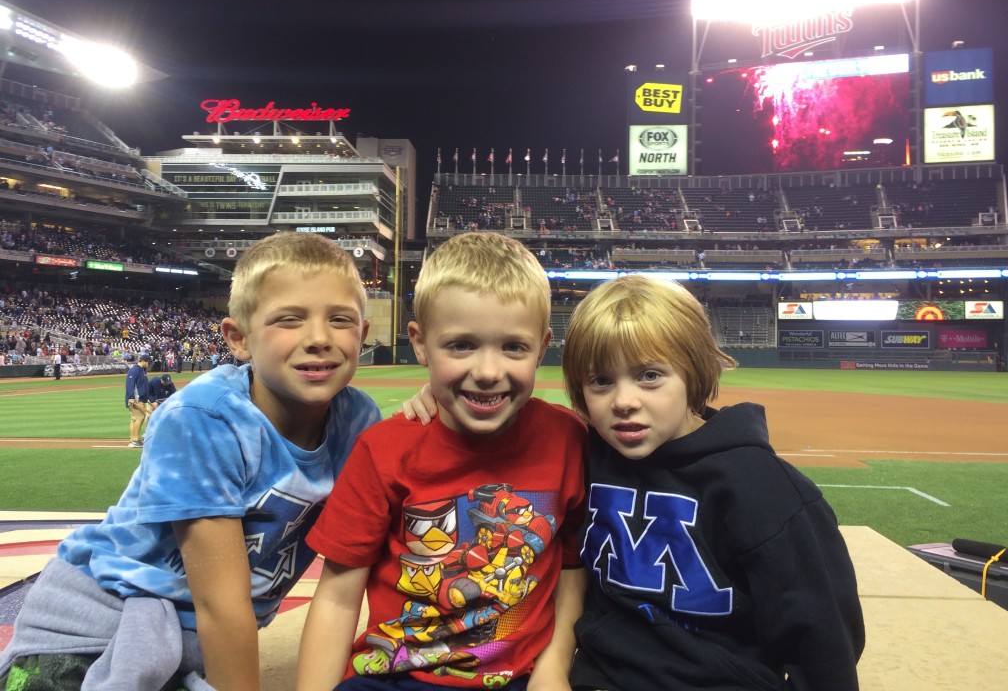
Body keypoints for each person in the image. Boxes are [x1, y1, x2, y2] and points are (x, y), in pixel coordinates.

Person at [0, 232, 382, 691]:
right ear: (238, 339)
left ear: (362, 334)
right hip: (97, 625)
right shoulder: (205, 417)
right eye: (290, 320)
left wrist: (432, 403)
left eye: (339, 320)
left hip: (190, 640)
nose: (319, 338)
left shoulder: (359, 418)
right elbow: (222, 606)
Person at [297, 231, 588, 691]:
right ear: (419, 343)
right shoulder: (383, 450)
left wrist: (554, 666)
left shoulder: (568, 439)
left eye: (514, 347)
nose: (489, 372)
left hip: (520, 677)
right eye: (461, 346)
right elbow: (336, 597)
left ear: (543, 346)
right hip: (396, 676)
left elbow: (573, 568)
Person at [560, 275, 864, 690]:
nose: (624, 401)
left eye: (650, 375)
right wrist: (436, 400)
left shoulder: (762, 487)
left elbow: (823, 637)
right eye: (601, 381)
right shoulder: (587, 452)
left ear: (693, 371)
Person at [125, 353, 154, 447]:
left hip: (140, 399)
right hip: (135, 399)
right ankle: (135, 440)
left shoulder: (142, 371)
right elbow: (130, 384)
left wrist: (146, 399)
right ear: (143, 361)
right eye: (148, 363)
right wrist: (131, 397)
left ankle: (132, 440)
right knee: (140, 417)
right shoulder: (134, 370)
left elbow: (143, 386)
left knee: (134, 418)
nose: (149, 365)